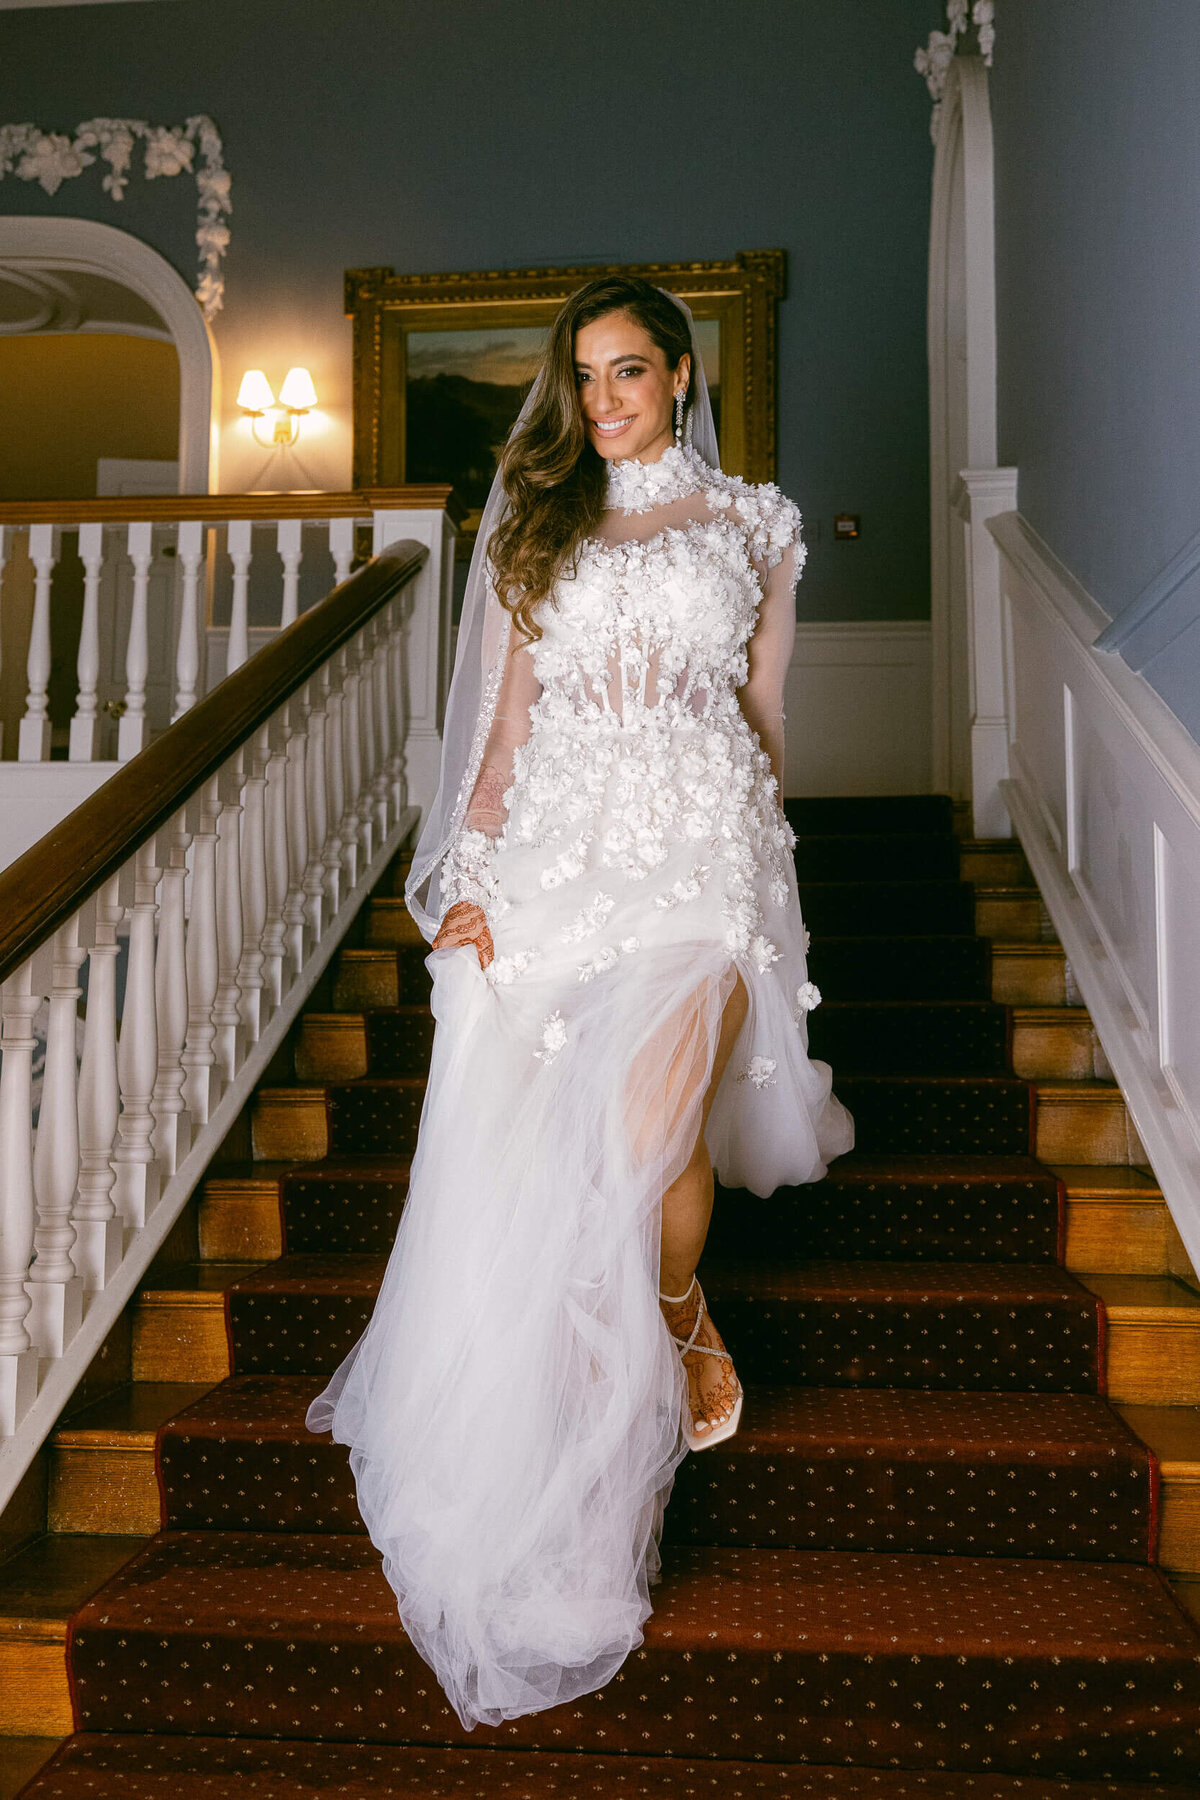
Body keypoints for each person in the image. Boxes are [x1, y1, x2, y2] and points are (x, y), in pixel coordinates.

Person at [307, 275, 853, 1732]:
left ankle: (674, 1308)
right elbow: (498, 739)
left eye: (630, 372)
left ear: (680, 373)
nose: (605, 399)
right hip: (553, 861)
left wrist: (758, 874)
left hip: (700, 856)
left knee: (643, 1121)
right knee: (585, 1165)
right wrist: (464, 883)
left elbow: (766, 712)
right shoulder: (536, 530)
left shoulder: (758, 525)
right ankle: (570, 1499)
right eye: (585, 378)